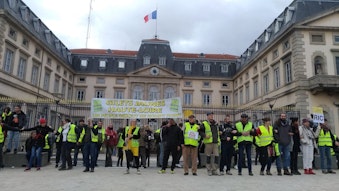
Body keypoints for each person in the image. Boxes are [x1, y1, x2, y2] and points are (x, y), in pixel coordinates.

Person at [199, 112, 220, 176]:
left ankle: (215, 169)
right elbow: (200, 131)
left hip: (215, 142)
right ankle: (209, 170)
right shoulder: (204, 123)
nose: (211, 116)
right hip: (208, 142)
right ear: (207, 116)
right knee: (208, 156)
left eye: (212, 115)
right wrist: (205, 135)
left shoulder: (216, 123)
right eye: (210, 115)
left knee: (216, 156)